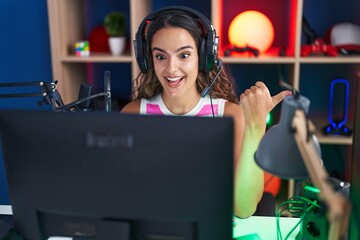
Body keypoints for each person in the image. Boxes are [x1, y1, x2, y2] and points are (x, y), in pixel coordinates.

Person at [121, 6, 291, 218]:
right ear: (148, 60)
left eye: (184, 55)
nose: (172, 68)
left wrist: (256, 126)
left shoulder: (229, 115)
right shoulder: (133, 115)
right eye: (161, 57)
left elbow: (244, 208)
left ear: (204, 57)